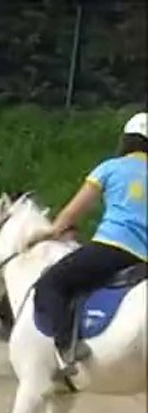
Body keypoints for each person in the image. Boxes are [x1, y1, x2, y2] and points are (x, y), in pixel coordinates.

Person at [32, 111, 147, 376]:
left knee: (52, 283)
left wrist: (51, 232)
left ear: (127, 140)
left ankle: (65, 350)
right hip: (143, 257)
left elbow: (72, 213)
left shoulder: (110, 168)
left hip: (111, 248)